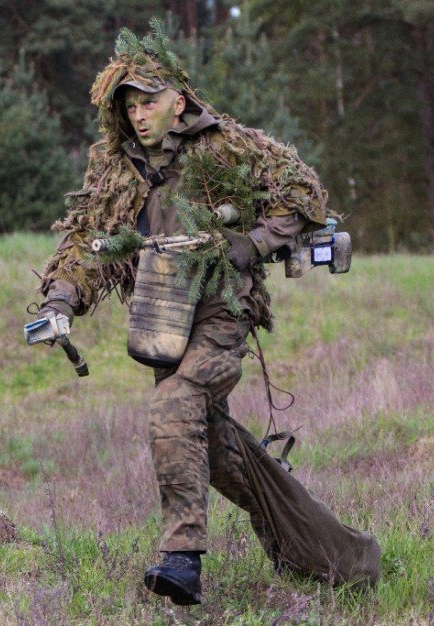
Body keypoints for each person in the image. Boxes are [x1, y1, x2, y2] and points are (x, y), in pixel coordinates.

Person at [34, 24, 329, 606]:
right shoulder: (117, 167)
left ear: (179, 98)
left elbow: (304, 190)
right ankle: (328, 552)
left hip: (222, 309)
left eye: (148, 100)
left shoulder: (225, 146)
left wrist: (254, 242)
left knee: (173, 407)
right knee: (210, 446)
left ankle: (182, 560)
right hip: (162, 316)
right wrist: (60, 301)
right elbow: (88, 240)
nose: (139, 115)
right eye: (130, 104)